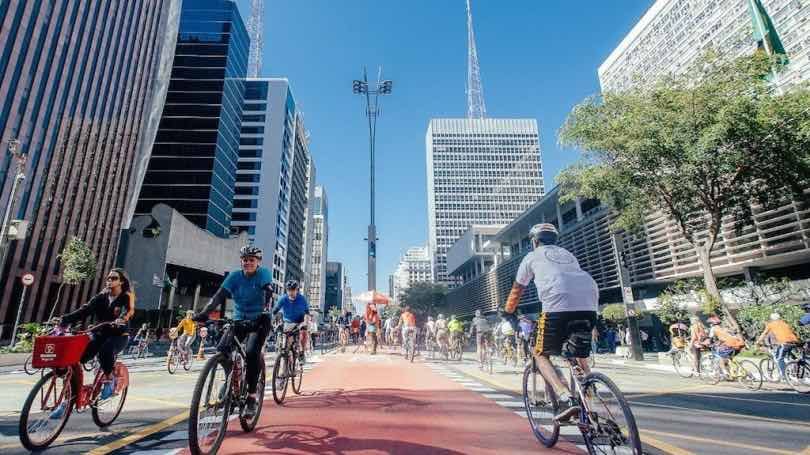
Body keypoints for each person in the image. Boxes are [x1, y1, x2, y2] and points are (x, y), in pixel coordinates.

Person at [502, 223, 599, 423]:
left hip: (557, 305)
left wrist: (508, 311)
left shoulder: (531, 257)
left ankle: (566, 398)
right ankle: (591, 396)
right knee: (578, 353)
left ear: (534, 241)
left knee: (539, 354)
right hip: (589, 301)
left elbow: (517, 289)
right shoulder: (568, 254)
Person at [193, 245, 274, 418]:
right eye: (245, 260)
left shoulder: (264, 273)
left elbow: (268, 291)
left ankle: (251, 397)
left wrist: (266, 309)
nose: (248, 263)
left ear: (258, 262)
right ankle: (232, 378)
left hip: (260, 319)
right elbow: (219, 295)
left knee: (252, 352)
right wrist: (204, 313)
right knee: (222, 349)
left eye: (252, 260)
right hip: (239, 319)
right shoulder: (235, 276)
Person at [53, 268, 135, 414]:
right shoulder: (101, 297)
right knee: (75, 359)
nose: (110, 281)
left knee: (105, 351)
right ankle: (68, 399)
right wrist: (65, 320)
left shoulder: (126, 296)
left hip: (119, 335)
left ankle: (110, 380)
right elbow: (85, 310)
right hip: (100, 333)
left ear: (121, 281)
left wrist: (122, 319)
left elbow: (128, 311)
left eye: (114, 278)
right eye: (108, 278)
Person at [272, 280, 310, 360]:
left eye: (293, 290)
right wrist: (272, 321)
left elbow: (307, 313)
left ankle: (302, 353)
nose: (291, 292)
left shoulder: (302, 299)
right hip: (288, 322)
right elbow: (274, 311)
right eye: (289, 290)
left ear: (297, 290)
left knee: (303, 332)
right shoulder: (283, 298)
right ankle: (287, 364)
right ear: (286, 290)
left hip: (299, 321)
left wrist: (305, 323)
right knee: (287, 344)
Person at [755, 313, 799, 378]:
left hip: (785, 343)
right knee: (788, 357)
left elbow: (764, 334)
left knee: (779, 358)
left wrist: (758, 342)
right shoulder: (785, 323)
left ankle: (785, 375)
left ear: (771, 319)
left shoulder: (771, 324)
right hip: (794, 342)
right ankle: (793, 369)